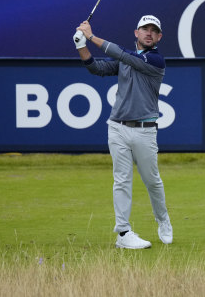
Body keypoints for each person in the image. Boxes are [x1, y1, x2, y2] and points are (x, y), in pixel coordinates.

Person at [73, 15, 172, 249]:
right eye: (144, 29)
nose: (149, 33)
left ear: (159, 37)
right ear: (136, 33)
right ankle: (123, 233)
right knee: (122, 180)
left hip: (145, 130)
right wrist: (81, 46)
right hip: (117, 127)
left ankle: (163, 220)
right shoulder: (124, 59)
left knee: (152, 181)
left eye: (153, 30)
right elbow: (97, 68)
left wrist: (91, 36)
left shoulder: (156, 61)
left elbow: (120, 54)